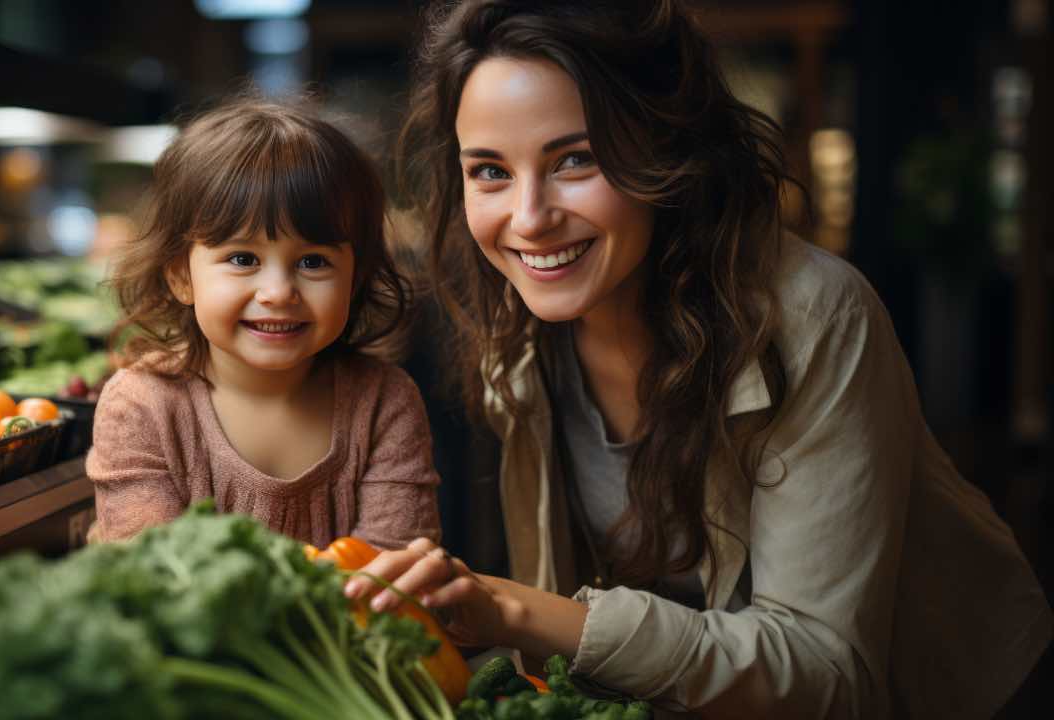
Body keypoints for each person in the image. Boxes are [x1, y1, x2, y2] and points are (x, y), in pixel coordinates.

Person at [345, 1, 1052, 717]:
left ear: (664, 149)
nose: (528, 218)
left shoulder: (816, 317)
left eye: (577, 159)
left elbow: (825, 675)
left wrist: (516, 612)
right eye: (490, 171)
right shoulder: (519, 326)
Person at [86, 99, 442, 551]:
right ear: (180, 275)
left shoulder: (384, 404)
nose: (278, 292)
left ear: (356, 278)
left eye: (313, 261)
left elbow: (397, 578)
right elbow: (157, 582)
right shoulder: (140, 406)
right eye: (242, 259)